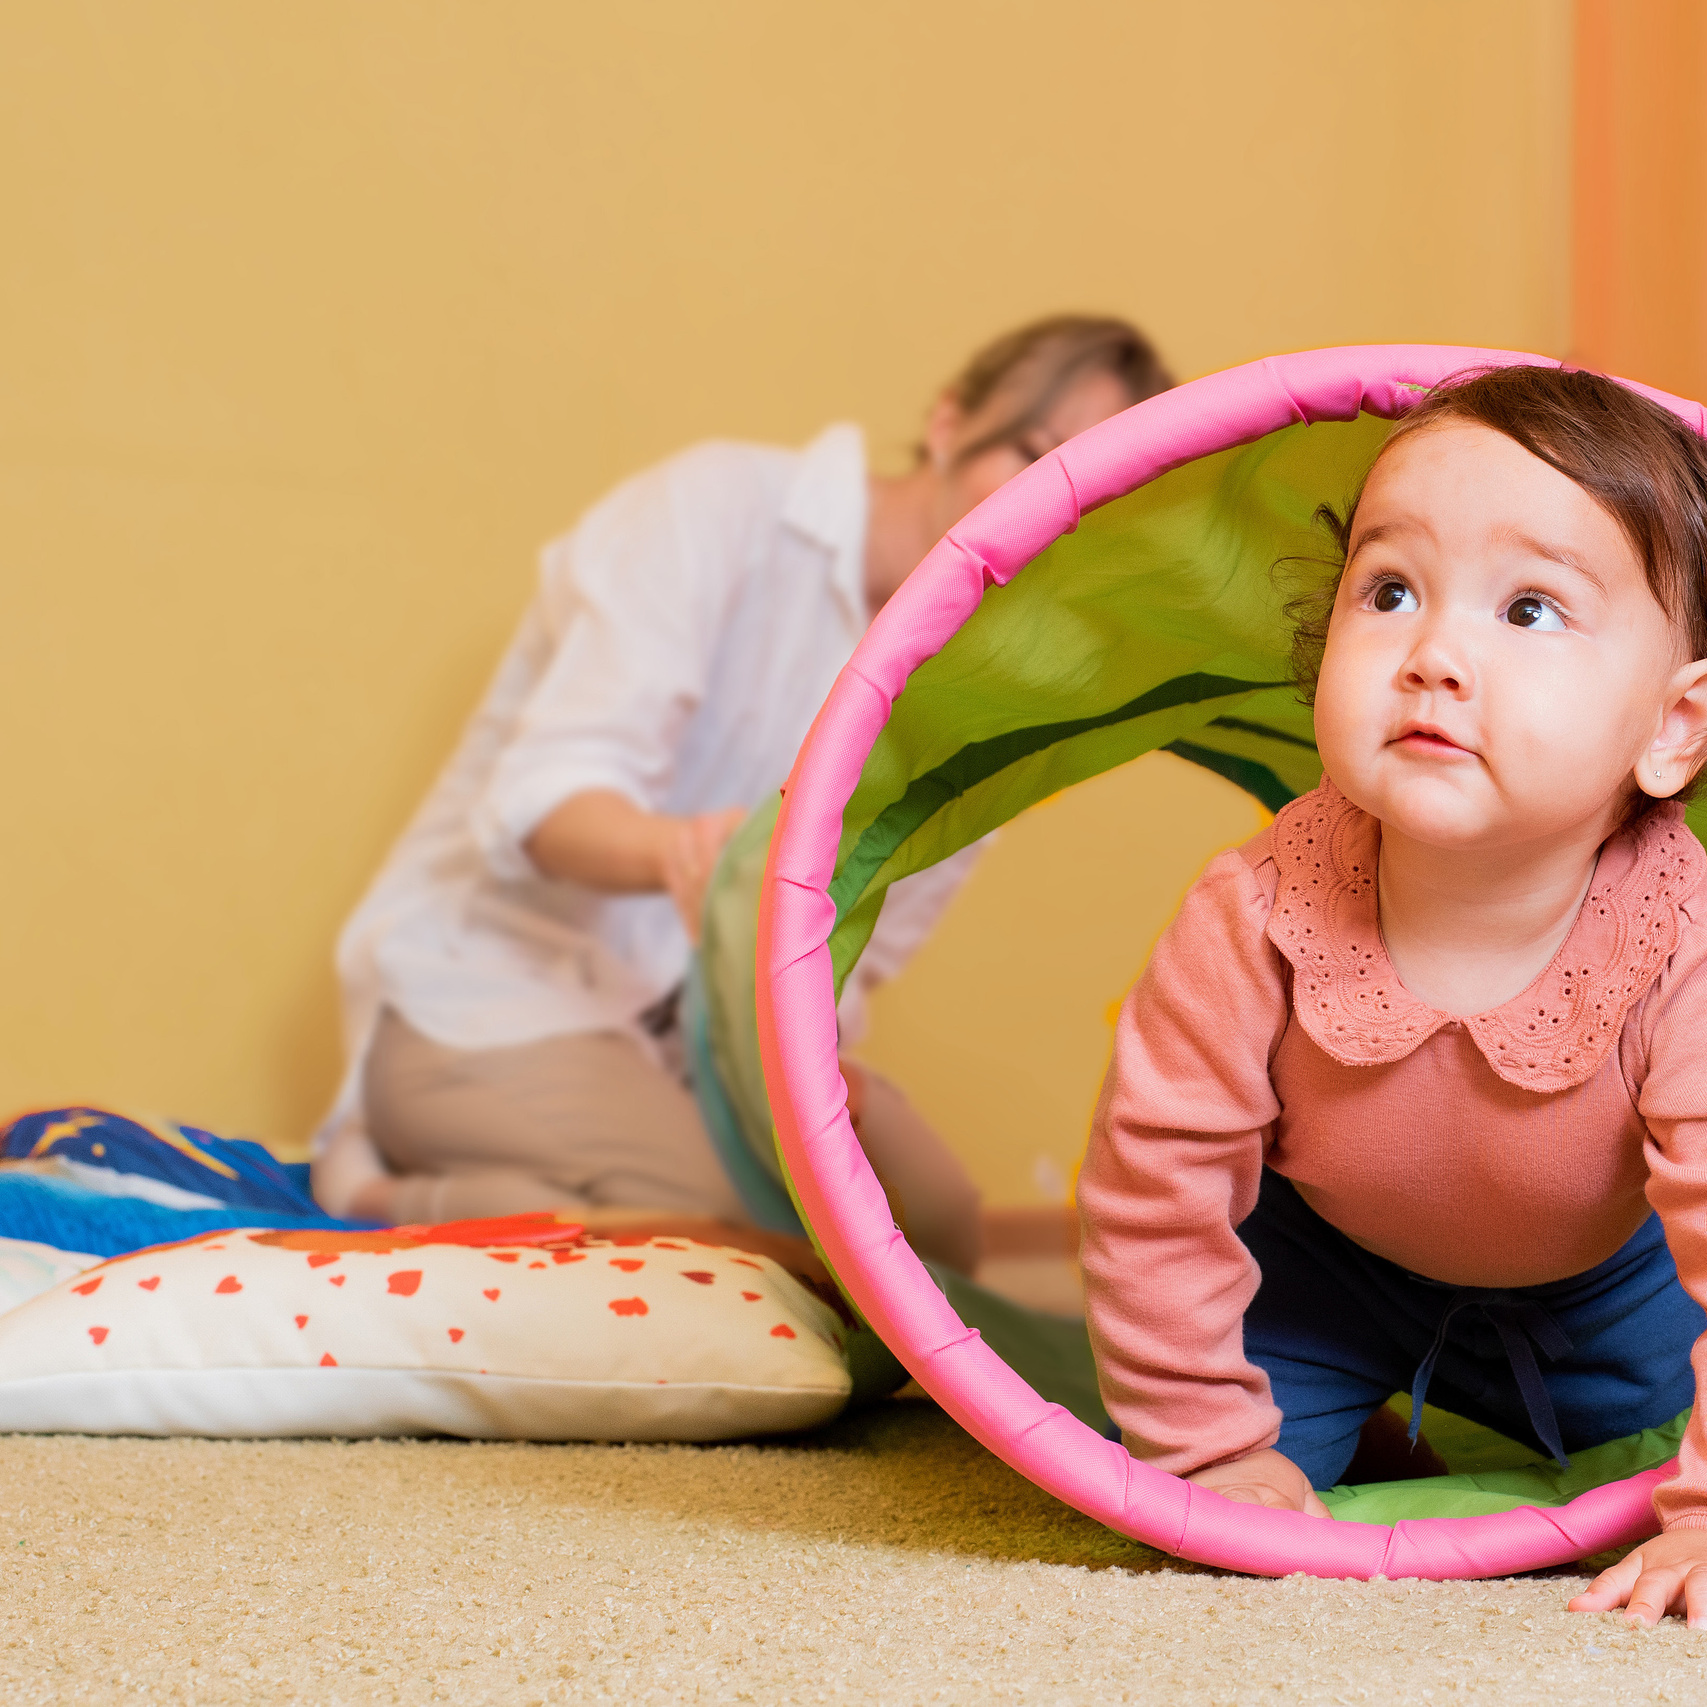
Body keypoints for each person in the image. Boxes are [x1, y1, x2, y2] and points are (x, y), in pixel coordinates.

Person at [1078, 365, 1707, 1632]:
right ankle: (1359, 1425)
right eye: (1390, 593)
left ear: (1674, 726)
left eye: (1531, 609)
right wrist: (1204, 1444)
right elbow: (1156, 1188)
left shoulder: (1694, 955)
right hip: (1317, 1272)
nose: (1434, 654)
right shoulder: (1250, 915)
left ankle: (1525, 1430)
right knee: (1227, 1506)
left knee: (1647, 1480)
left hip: (1607, 1286)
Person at [312, 315, 1175, 1277]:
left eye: (1083, 509)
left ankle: (622, 1185)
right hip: (495, 997)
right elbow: (543, 804)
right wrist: (699, 860)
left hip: (703, 1050)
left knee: (937, 1239)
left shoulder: (988, 694)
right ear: (946, 424)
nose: (1039, 519)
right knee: (743, 1247)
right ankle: (384, 1193)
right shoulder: (717, 512)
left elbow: (858, 957)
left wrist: (811, 1059)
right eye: (1031, 459)